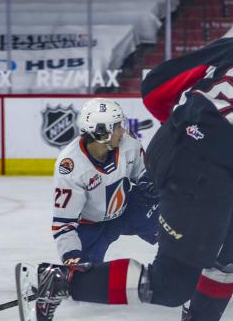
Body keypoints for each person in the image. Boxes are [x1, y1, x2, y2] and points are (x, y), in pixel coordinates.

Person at [15, 0, 233, 321]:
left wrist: (189, 128)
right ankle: (60, 280)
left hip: (166, 150)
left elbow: (155, 85)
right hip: (203, 180)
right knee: (170, 285)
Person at [51, 97, 159, 266]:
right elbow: (64, 224)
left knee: (169, 219)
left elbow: (143, 173)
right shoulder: (70, 167)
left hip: (127, 211)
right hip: (91, 227)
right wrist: (71, 254)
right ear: (102, 133)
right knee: (84, 278)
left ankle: (182, 253)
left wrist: (152, 182)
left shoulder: (128, 144)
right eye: (117, 126)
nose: (122, 131)